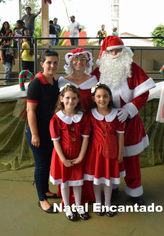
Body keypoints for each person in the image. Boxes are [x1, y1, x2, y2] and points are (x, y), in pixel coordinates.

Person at [91, 35, 156, 205]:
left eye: (118, 50)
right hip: (106, 123)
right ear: (105, 53)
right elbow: (87, 92)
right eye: (111, 51)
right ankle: (111, 188)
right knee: (109, 156)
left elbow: (144, 93)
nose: (115, 54)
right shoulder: (98, 72)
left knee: (131, 158)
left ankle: (135, 192)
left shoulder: (132, 68)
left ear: (124, 51)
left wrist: (129, 109)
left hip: (129, 121)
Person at [58, 48, 98, 205]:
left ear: (87, 61)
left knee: (87, 161)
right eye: (75, 59)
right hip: (68, 128)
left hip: (89, 127)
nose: (79, 62)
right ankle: (69, 199)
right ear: (70, 61)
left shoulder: (94, 80)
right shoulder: (62, 81)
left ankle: (86, 195)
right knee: (69, 159)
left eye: (82, 59)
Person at [25, 49, 60, 213]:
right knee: (41, 166)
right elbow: (30, 111)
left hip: (50, 131)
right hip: (36, 131)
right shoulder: (36, 83)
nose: (52, 65)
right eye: (49, 62)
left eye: (55, 62)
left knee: (47, 164)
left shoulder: (56, 82)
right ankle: (42, 199)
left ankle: (45, 190)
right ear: (42, 64)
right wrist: (35, 134)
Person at [49, 84, 90, 221]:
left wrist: (81, 157)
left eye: (73, 98)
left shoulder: (83, 118)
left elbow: (85, 139)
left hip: (78, 155)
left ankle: (79, 206)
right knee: (65, 183)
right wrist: (63, 160)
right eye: (67, 98)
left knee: (77, 182)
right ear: (61, 99)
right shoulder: (56, 119)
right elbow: (56, 142)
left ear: (78, 100)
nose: (70, 101)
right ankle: (67, 207)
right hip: (62, 156)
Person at [84, 83, 125, 217]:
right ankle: (98, 203)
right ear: (94, 98)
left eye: (105, 96)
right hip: (95, 153)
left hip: (111, 152)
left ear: (110, 97)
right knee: (97, 179)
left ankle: (107, 204)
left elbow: (120, 135)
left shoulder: (117, 114)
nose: (102, 99)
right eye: (99, 96)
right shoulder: (90, 114)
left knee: (108, 179)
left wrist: (120, 153)